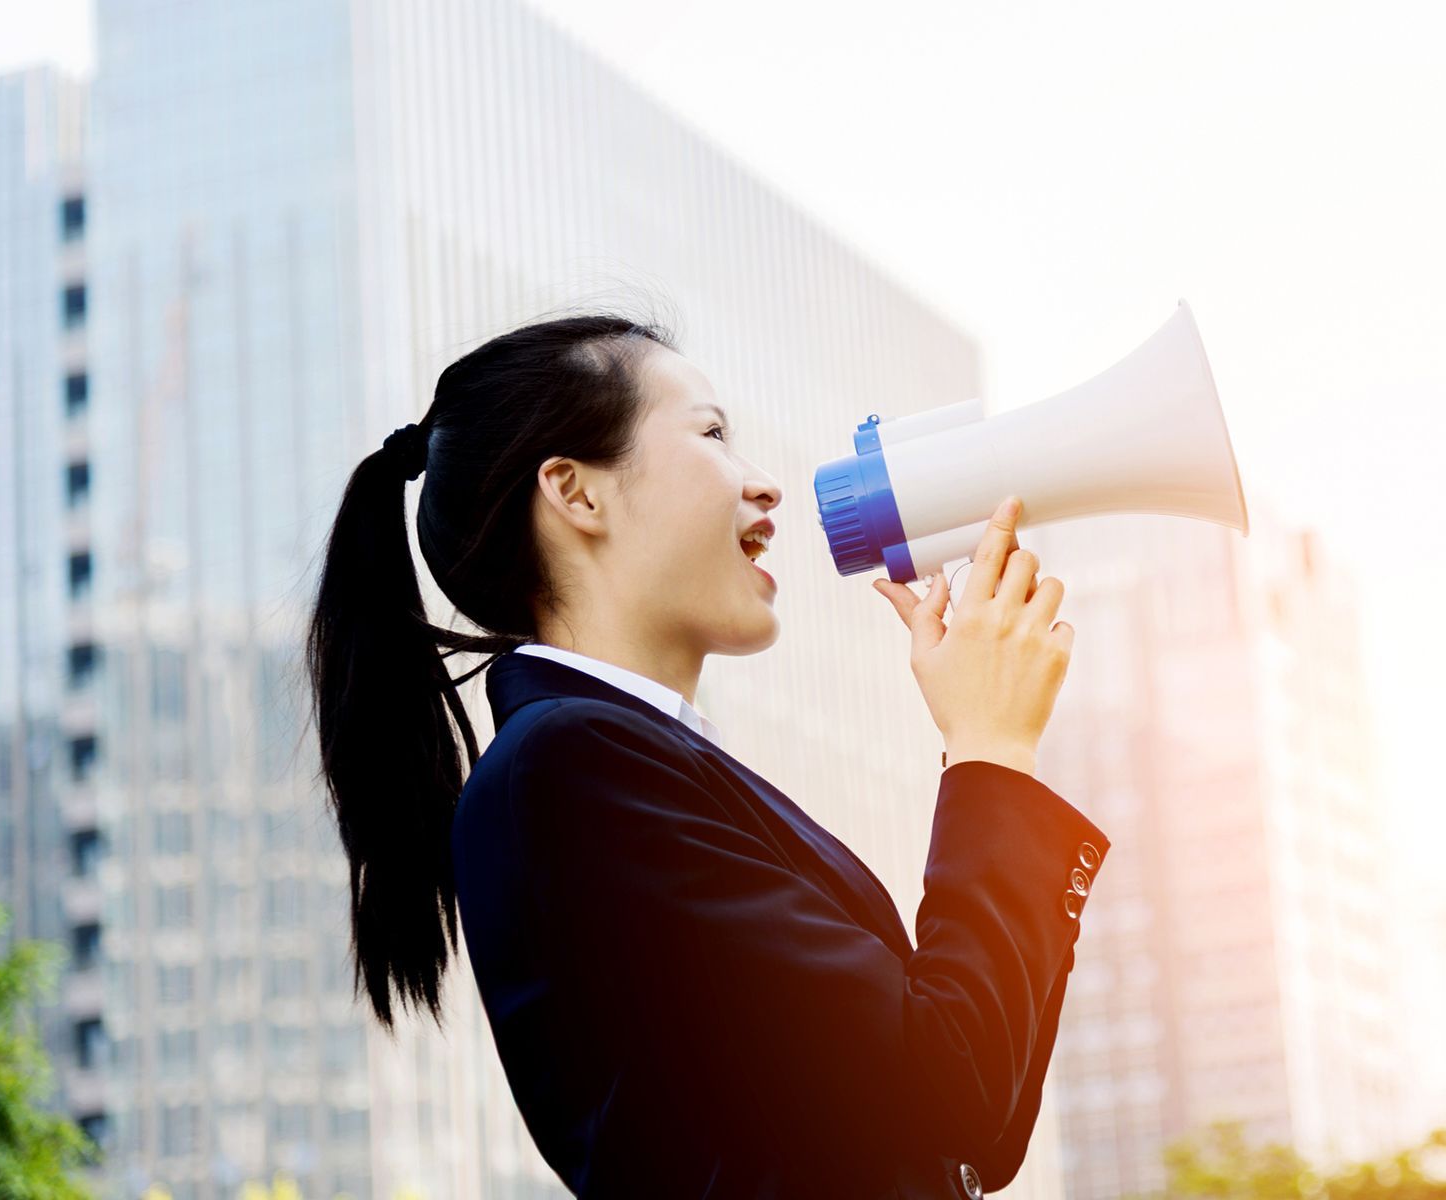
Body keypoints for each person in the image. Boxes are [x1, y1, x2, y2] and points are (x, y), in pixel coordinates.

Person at [303, 314, 1110, 1198]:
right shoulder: (569, 768)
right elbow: (949, 1087)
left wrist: (995, 757)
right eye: (714, 434)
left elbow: (978, 1135)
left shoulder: (609, 761)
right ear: (576, 494)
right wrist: (990, 753)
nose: (765, 486)